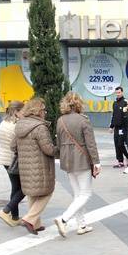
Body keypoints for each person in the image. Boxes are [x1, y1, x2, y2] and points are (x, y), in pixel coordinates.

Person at [53, 92, 101, 237]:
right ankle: (63, 219)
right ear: (79, 103)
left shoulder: (60, 120)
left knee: (77, 194)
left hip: (67, 160)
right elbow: (90, 143)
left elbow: (59, 143)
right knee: (85, 194)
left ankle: (82, 225)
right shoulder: (83, 120)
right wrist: (96, 162)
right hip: (81, 160)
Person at [11, 97, 58, 235]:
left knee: (33, 193)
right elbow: (48, 149)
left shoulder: (20, 125)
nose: (45, 112)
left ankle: (36, 224)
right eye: (44, 109)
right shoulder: (40, 127)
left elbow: (12, 146)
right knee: (47, 192)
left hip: (25, 168)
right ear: (37, 111)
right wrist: (58, 149)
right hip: (40, 167)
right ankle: (29, 219)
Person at [0, 100, 25, 227]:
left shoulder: (3, 123)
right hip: (14, 160)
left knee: (16, 187)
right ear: (16, 112)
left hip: (5, 159)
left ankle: (15, 217)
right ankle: (6, 210)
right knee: (26, 188)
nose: (24, 114)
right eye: (22, 111)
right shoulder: (15, 126)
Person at [109, 86, 128, 168]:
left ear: (122, 92)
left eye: (119, 92)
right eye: (116, 93)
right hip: (116, 127)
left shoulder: (125, 102)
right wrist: (111, 126)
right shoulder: (115, 103)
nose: (118, 94)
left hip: (123, 127)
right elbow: (113, 115)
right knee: (116, 144)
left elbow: (126, 116)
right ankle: (120, 161)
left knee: (121, 144)